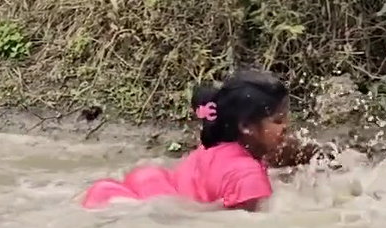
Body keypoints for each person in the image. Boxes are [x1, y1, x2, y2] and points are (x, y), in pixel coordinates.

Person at [80, 69, 290, 212]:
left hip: (130, 191)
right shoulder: (247, 176)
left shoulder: (214, 144)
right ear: (245, 126)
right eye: (278, 120)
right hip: (137, 210)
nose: (287, 126)